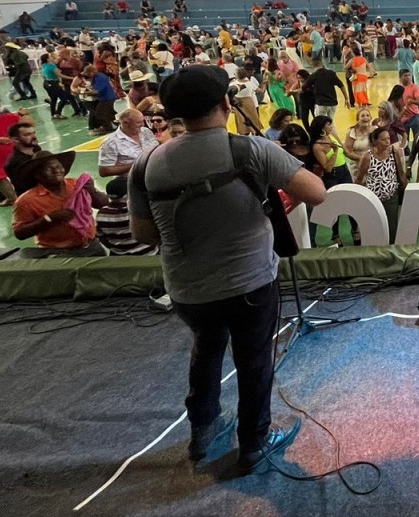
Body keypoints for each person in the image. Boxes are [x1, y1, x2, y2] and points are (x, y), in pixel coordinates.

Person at [128, 64, 325, 472]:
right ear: (225, 104)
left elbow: (145, 234)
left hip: (187, 290)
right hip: (250, 284)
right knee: (254, 362)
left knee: (206, 350)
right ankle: (253, 443)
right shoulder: (250, 149)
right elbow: (316, 192)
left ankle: (203, 431)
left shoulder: (146, 164)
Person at [12, 151, 109, 257]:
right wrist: (49, 219)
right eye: (49, 168)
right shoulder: (26, 200)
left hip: (92, 246)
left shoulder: (77, 185)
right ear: (37, 174)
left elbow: (104, 204)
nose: (56, 170)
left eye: (58, 166)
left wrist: (93, 192)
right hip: (58, 252)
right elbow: (20, 233)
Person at [357, 126, 406, 235]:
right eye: (383, 139)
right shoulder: (367, 156)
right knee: (374, 228)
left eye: (388, 138)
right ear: (375, 140)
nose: (387, 142)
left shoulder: (394, 152)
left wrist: (407, 190)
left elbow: (401, 173)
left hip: (392, 196)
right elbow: (359, 178)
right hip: (372, 198)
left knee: (392, 227)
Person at [98, 109, 160, 179]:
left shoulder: (146, 131)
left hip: (154, 173)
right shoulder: (111, 142)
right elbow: (104, 171)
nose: (143, 124)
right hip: (131, 179)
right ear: (126, 123)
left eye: (143, 121)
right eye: (139, 122)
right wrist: (137, 165)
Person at [4, 122, 43, 195]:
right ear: (16, 139)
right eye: (27, 134)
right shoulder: (15, 161)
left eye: (34, 133)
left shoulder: (36, 148)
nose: (34, 137)